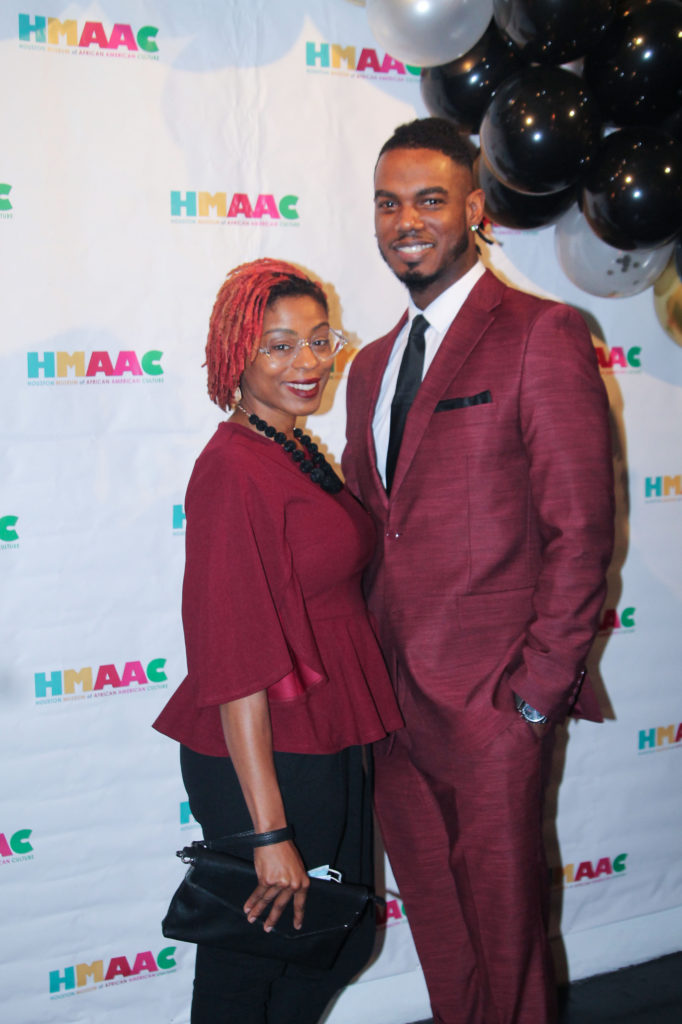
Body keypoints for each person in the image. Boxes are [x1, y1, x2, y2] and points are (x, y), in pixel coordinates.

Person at [341, 118, 614, 1024]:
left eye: (427, 199)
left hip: (494, 702)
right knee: (443, 938)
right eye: (388, 202)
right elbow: (371, 531)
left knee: (508, 942)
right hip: (390, 709)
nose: (404, 221)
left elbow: (580, 531)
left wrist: (535, 696)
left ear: (476, 207)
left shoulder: (542, 333)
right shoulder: (370, 366)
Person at [153, 258, 403, 1024]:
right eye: (279, 345)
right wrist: (269, 832)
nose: (308, 363)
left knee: (333, 941)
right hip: (267, 756)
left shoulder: (291, 447)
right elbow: (233, 666)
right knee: (248, 973)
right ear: (238, 356)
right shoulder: (232, 470)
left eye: (319, 340)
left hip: (325, 734)